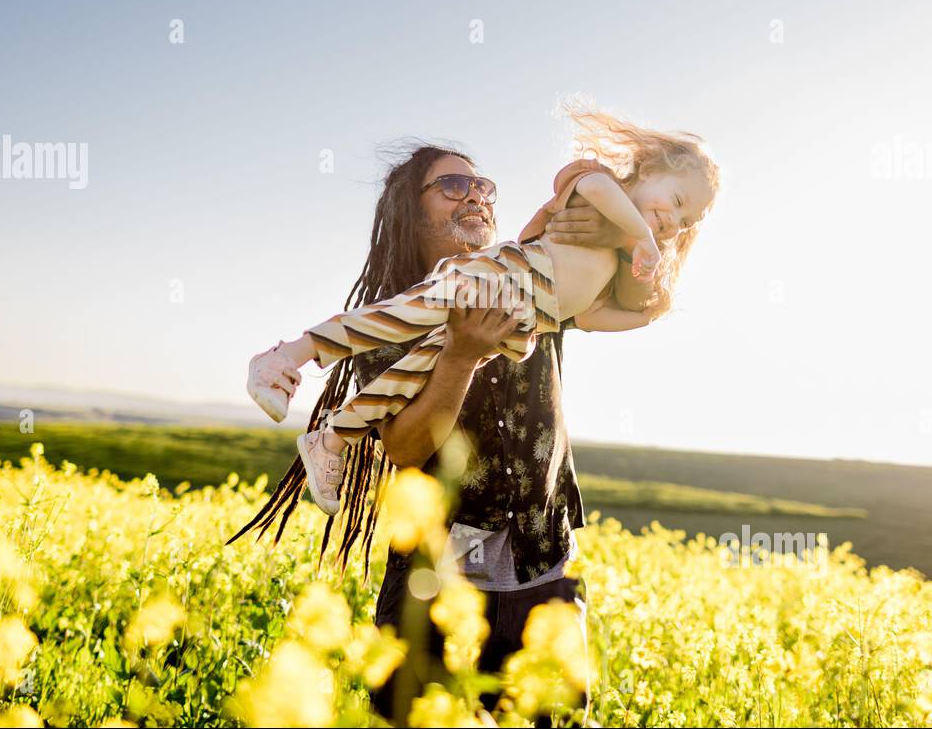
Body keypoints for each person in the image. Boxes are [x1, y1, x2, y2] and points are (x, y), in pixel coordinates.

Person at [247, 105, 721, 513]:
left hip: (526, 331)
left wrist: (647, 307)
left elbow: (592, 316)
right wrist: (460, 356)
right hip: (504, 280)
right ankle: (287, 356)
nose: (475, 195)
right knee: (403, 316)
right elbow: (597, 190)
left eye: (482, 187)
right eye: (453, 185)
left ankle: (333, 439)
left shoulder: (605, 257)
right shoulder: (591, 186)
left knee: (408, 374)